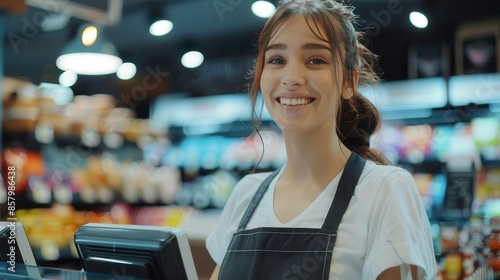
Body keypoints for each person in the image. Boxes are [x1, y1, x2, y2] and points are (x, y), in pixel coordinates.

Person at [206, 0, 438, 279]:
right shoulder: (246, 194)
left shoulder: (384, 190)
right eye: (277, 60)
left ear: (349, 82)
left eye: (316, 60)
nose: (292, 78)